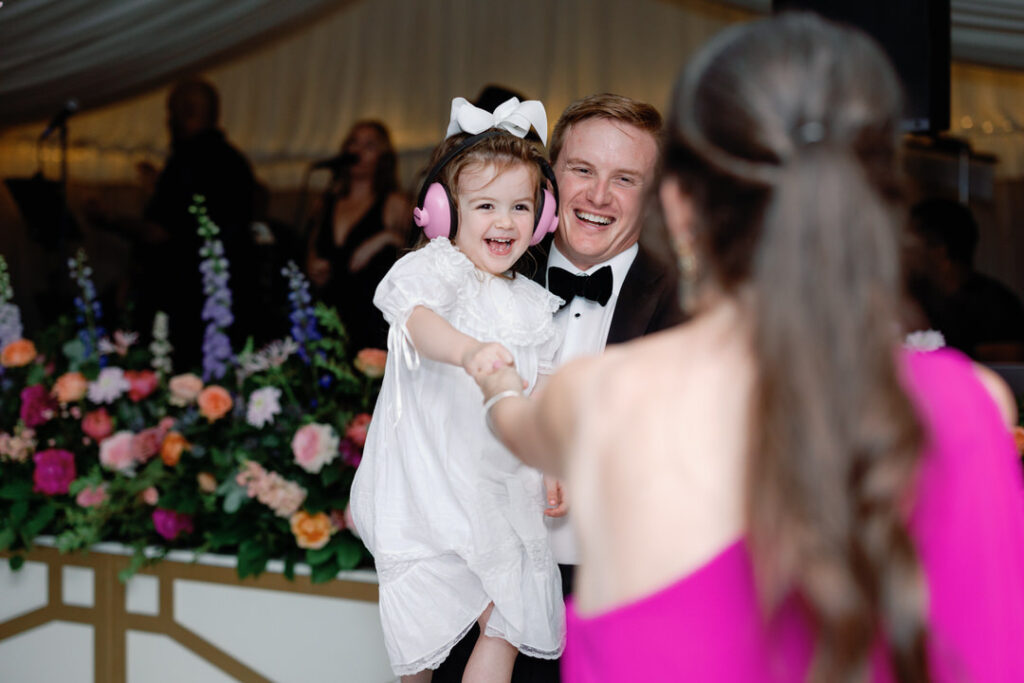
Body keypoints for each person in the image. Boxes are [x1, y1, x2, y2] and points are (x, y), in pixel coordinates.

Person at [477, 13, 1024, 682]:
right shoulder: (979, 406)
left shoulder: (605, 397)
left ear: (675, 206)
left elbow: (516, 422)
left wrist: (496, 379)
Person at [349, 96, 565, 681]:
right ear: (444, 212)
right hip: (430, 488)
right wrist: (469, 352)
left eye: (522, 207)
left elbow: (541, 388)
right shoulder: (432, 269)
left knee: (507, 620)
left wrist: (551, 463)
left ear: (545, 218)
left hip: (500, 489)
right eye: (486, 206)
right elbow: (420, 325)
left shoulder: (533, 303)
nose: (506, 222)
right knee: (423, 639)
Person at [142, 78, 258, 372]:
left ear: (190, 112)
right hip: (230, 294)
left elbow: (160, 231)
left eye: (173, 112)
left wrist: (112, 219)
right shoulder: (235, 161)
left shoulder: (187, 160)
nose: (169, 120)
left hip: (189, 298)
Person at [306, 121, 412, 352]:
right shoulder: (326, 202)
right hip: (328, 312)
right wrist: (313, 265)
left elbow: (415, 255)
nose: (358, 150)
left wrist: (385, 237)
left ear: (383, 157)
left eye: (369, 145)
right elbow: (313, 247)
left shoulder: (394, 204)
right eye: (353, 142)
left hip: (369, 317)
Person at [905, 197, 1024, 361]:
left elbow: (1012, 361)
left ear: (940, 252)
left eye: (913, 247)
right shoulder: (912, 302)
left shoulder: (998, 305)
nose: (906, 255)